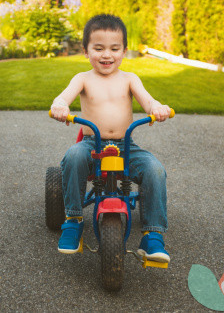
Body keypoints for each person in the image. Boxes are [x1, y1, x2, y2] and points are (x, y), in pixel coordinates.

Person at [49, 14, 172, 263]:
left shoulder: (129, 79)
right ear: (86, 50)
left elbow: (148, 101)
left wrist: (157, 108)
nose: (107, 55)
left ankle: (153, 235)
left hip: (126, 146)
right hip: (92, 144)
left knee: (155, 170)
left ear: (124, 51)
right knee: (72, 157)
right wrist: (60, 106)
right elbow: (62, 98)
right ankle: (73, 219)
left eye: (114, 48)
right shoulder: (82, 79)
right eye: (99, 48)